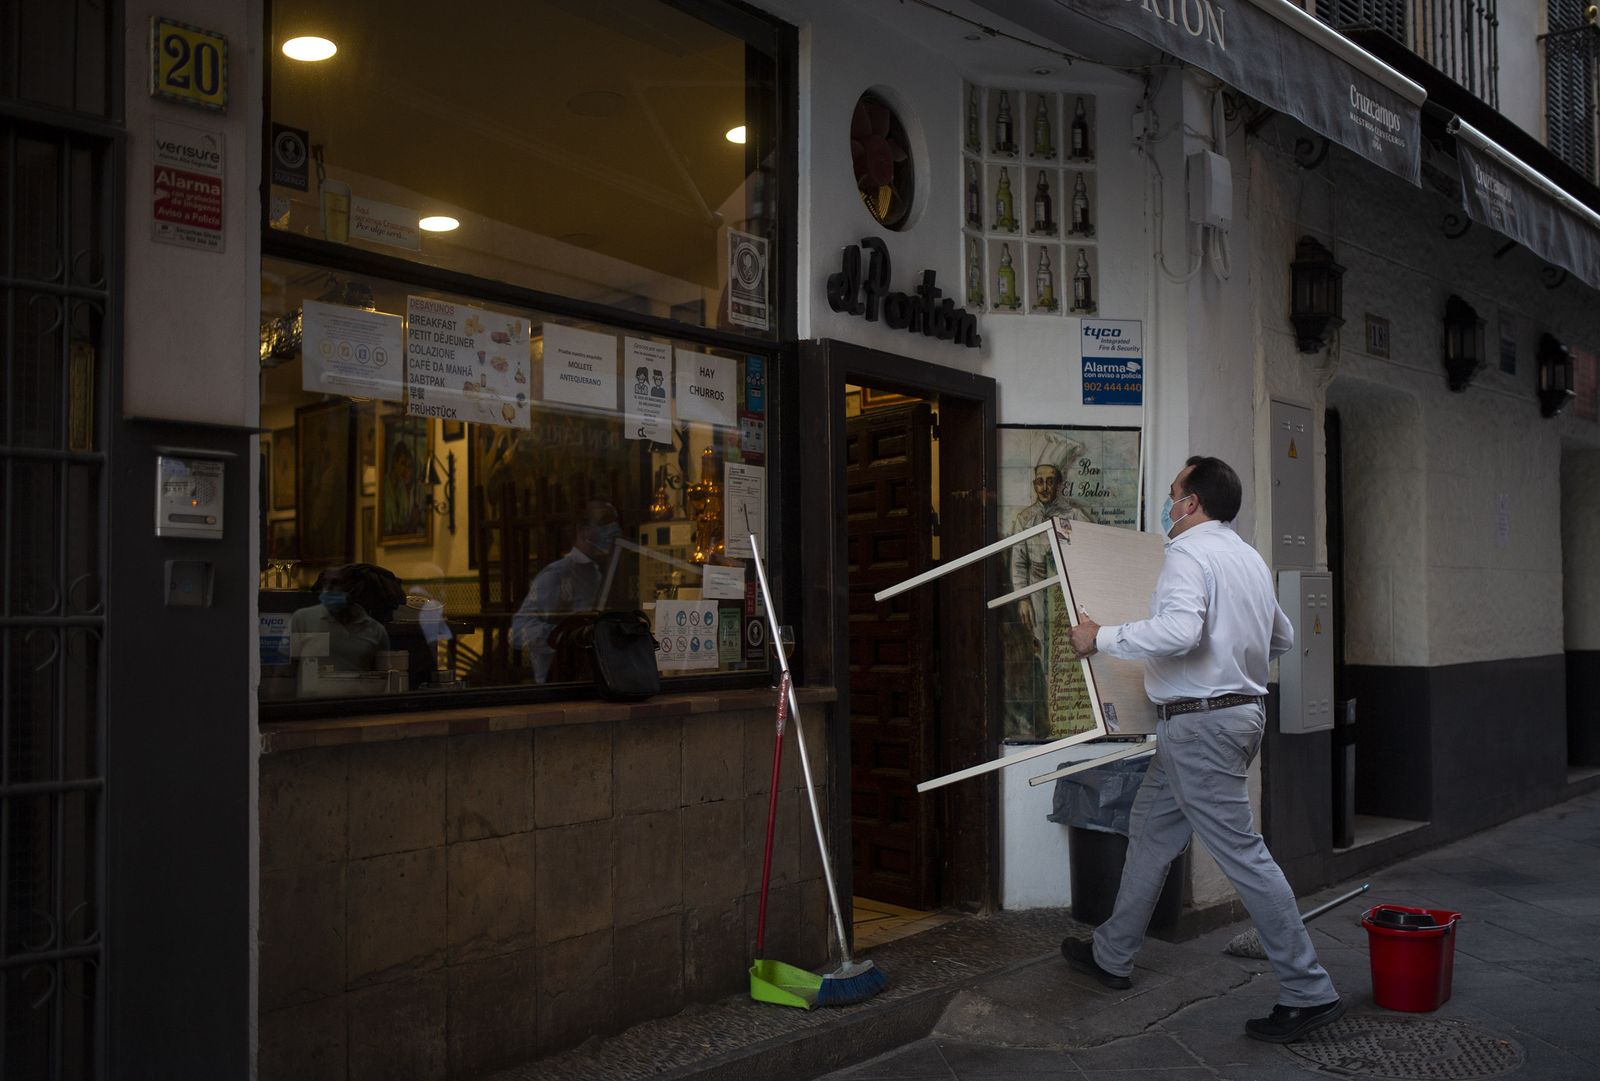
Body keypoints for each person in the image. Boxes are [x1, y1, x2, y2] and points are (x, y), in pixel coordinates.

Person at [1062, 456, 1343, 1044]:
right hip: (1229, 720)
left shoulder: (1187, 554)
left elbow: (1180, 631)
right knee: (1150, 831)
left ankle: (1308, 988)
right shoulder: (1248, 557)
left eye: (1172, 494)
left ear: (1191, 503)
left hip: (1199, 726)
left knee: (1244, 855)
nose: (1168, 504)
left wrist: (1100, 638)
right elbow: (1283, 637)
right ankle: (1112, 954)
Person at [1006, 454, 1098, 739]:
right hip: (1036, 590)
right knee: (1044, 652)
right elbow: (1018, 560)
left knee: (1073, 648)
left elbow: (1089, 554)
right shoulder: (1025, 518)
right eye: (1039, 482)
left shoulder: (1075, 516)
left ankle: (1077, 719)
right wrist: (1022, 598)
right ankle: (1051, 720)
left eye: (1050, 481)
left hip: (1067, 591)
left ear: (1060, 484)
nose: (1044, 487)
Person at [510, 500, 623, 682]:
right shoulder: (558, 574)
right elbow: (518, 631)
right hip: (557, 684)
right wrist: (562, 637)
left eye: (614, 522)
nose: (612, 529)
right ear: (584, 531)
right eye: (604, 522)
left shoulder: (598, 574)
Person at [289, 563, 404, 673]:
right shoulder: (303, 619)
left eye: (336, 584)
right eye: (325, 584)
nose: (327, 590)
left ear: (353, 591)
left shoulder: (376, 630)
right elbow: (286, 671)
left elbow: (383, 676)